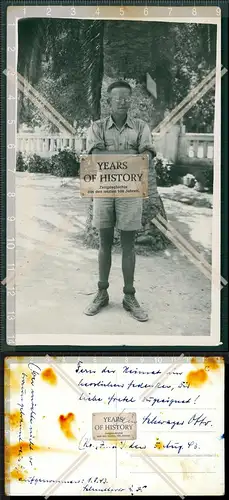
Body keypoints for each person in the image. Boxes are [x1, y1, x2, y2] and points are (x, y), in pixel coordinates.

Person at [84, 80, 157, 322]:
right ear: (108, 101)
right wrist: (131, 157)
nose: (123, 101)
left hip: (131, 191)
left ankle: (129, 296)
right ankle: (102, 293)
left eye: (127, 97)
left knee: (128, 244)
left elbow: (146, 156)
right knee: (104, 243)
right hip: (103, 190)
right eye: (118, 97)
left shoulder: (140, 126)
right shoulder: (97, 127)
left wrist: (120, 157)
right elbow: (94, 156)